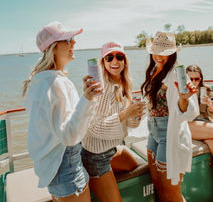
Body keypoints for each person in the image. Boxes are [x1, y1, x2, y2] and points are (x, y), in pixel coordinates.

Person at [23, 21, 102, 202]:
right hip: (66, 167)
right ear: (53, 48)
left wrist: (84, 98)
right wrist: (87, 99)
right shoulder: (54, 83)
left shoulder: (41, 81)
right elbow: (69, 135)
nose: (74, 43)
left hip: (57, 167)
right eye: (68, 40)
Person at [81, 41, 146, 202]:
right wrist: (125, 113)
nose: (115, 61)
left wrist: (135, 116)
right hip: (96, 155)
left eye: (119, 57)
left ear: (125, 60)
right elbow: (94, 128)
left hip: (112, 148)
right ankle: (94, 175)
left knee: (134, 165)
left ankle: (97, 179)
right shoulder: (101, 88)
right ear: (103, 63)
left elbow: (129, 124)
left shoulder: (123, 84)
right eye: (109, 58)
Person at [141, 31, 199, 202]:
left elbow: (190, 112)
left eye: (165, 53)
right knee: (158, 185)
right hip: (153, 132)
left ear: (173, 54)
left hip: (169, 134)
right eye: (156, 51)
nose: (159, 56)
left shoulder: (177, 75)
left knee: (170, 193)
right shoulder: (153, 70)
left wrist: (183, 99)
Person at [186, 65, 213, 154]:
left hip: (205, 123)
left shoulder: (207, 91)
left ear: (200, 79)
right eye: (190, 79)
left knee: (211, 142)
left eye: (196, 79)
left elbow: (211, 114)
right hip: (188, 123)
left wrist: (210, 107)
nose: (193, 82)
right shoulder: (181, 92)